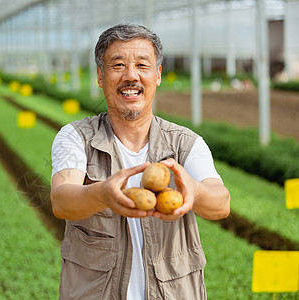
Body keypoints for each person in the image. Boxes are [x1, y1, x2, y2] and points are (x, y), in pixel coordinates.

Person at [50, 23, 230, 300]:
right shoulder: (76, 137)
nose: (131, 76)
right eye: (118, 65)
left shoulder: (185, 143)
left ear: (157, 75)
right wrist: (102, 193)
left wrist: (194, 192)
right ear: (100, 76)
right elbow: (62, 200)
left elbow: (221, 204)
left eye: (142, 65)